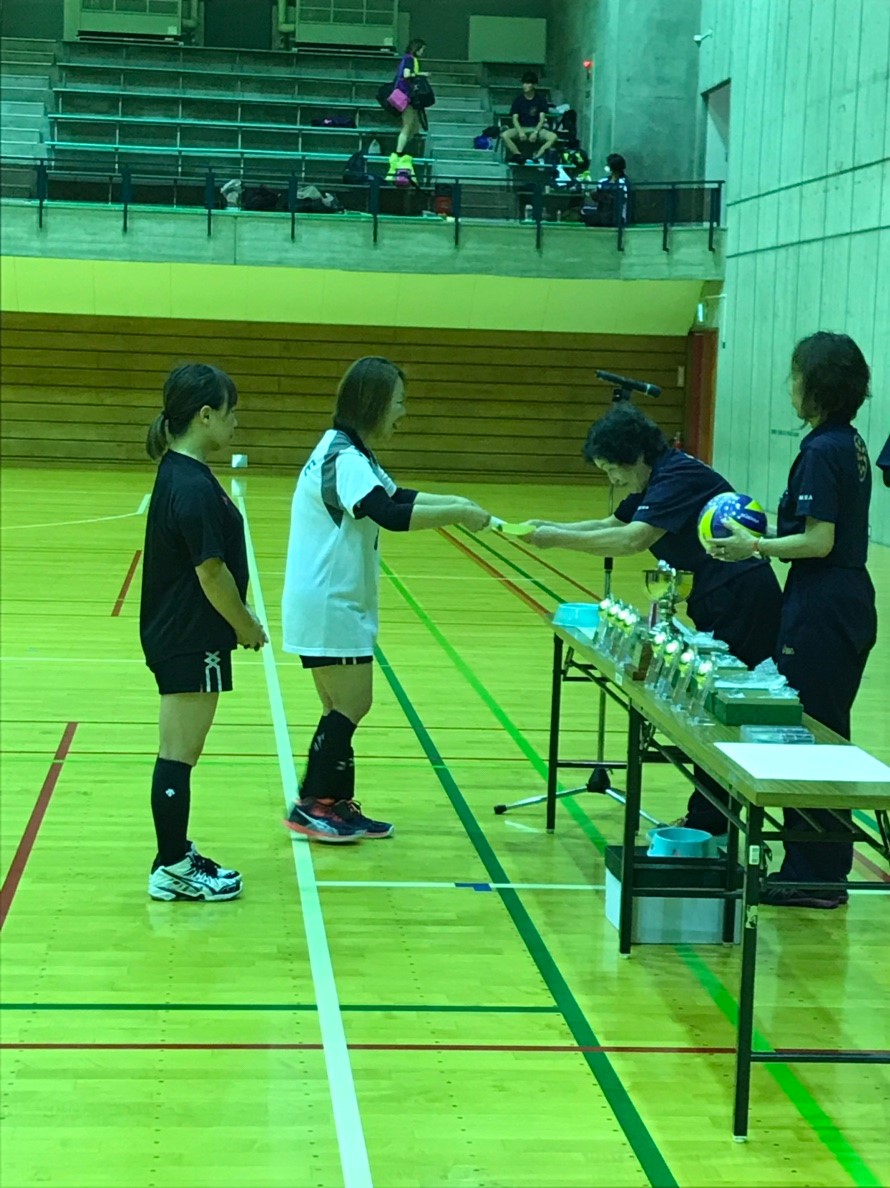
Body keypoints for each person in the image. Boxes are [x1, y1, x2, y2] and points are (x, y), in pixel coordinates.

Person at [526, 402, 783, 833]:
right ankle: (710, 818)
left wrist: (556, 539)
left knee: (723, 709)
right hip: (716, 599)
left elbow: (632, 540)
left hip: (743, 599)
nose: (612, 480)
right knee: (710, 705)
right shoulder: (657, 478)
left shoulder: (677, 477)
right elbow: (611, 523)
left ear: (636, 456)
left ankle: (712, 822)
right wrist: (548, 526)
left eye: (613, 469)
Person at [281, 357, 491, 843]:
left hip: (328, 600)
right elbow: (390, 515)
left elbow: (399, 496)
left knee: (341, 706)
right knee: (352, 703)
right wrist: (458, 513)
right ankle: (314, 806)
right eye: (398, 402)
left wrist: (459, 504)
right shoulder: (346, 459)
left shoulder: (352, 454)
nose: (403, 412)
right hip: (330, 602)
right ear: (373, 404)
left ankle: (330, 804)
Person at [711, 332, 878, 908]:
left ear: (817, 386)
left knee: (811, 734)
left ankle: (816, 874)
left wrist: (753, 546)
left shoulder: (822, 451)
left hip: (824, 603)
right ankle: (816, 866)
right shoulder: (847, 441)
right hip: (843, 598)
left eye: (795, 375)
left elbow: (818, 540)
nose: (790, 386)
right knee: (822, 730)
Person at [141, 364, 268, 902]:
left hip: (183, 633)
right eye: (231, 411)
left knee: (178, 752)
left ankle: (174, 855)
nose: (236, 422)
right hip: (190, 636)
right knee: (179, 754)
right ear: (205, 414)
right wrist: (246, 625)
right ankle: (172, 867)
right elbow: (211, 573)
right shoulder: (190, 484)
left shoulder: (185, 472)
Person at [387, 38, 429, 180]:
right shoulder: (410, 60)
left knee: (414, 126)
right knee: (407, 125)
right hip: (407, 96)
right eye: (422, 49)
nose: (422, 52)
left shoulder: (408, 59)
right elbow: (406, 75)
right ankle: (398, 153)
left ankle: (403, 150)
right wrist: (420, 75)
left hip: (408, 96)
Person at [501, 71, 557, 163]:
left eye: (528, 83)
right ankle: (518, 155)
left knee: (553, 137)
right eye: (524, 83)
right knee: (505, 135)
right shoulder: (518, 100)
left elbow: (542, 119)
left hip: (536, 128)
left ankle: (537, 156)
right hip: (521, 128)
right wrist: (520, 132)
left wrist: (535, 132)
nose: (525, 86)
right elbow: (514, 118)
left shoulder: (540, 100)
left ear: (534, 85)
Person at [583, 153, 629, 225]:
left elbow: (621, 201)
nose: (606, 166)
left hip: (616, 217)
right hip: (602, 214)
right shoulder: (603, 181)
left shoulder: (623, 183)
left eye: (608, 164)